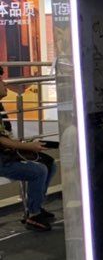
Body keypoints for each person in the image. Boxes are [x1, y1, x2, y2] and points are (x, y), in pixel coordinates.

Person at [0, 67, 56, 231]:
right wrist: (26, 146)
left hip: (6, 154)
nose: (4, 84)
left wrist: (26, 146)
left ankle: (36, 206)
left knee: (50, 163)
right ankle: (33, 214)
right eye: (1, 81)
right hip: (2, 160)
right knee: (39, 171)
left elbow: (5, 137)